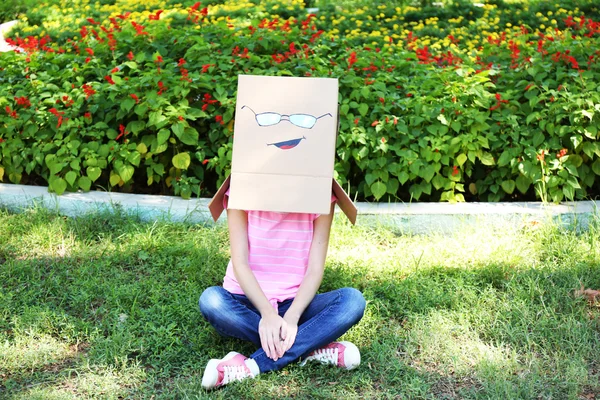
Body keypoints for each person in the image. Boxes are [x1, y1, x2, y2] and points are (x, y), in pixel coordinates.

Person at [198, 190, 366, 390]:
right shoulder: (242, 189)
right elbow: (240, 264)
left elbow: (315, 270)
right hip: (248, 302)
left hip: (296, 304)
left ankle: (250, 366)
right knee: (211, 300)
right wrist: (268, 314)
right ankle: (311, 347)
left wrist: (293, 318)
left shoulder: (319, 194)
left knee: (352, 301)